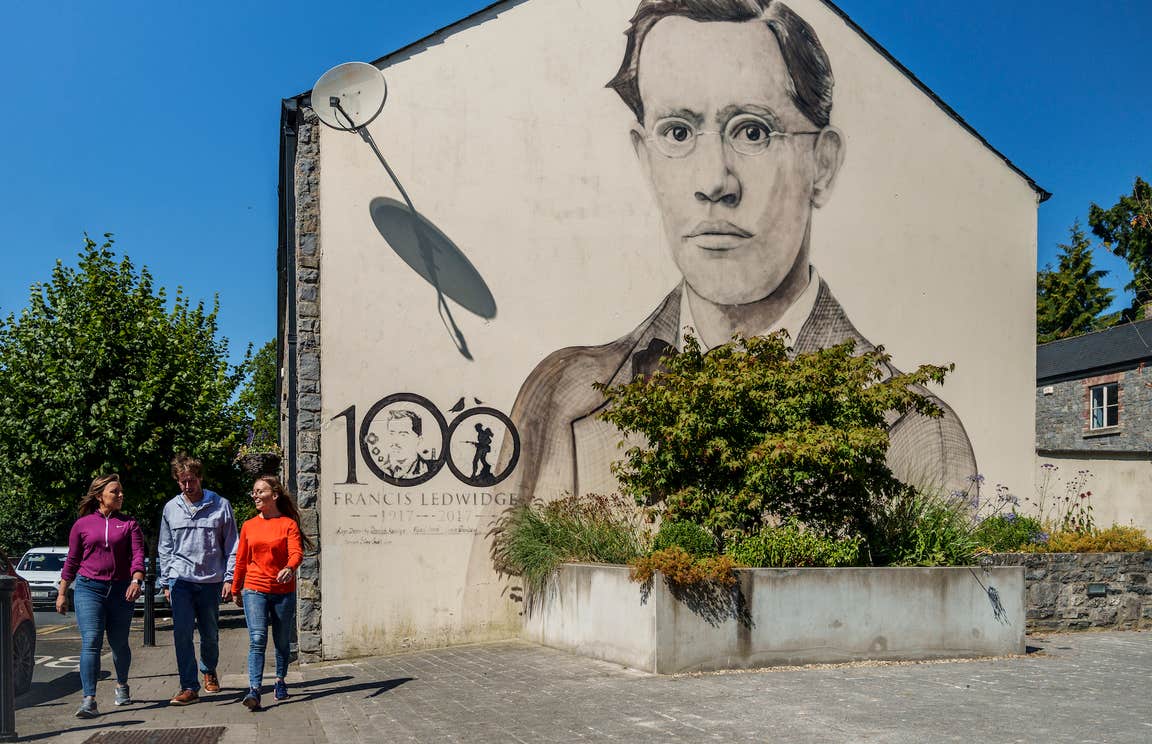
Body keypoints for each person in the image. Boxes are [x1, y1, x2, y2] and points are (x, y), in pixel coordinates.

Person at [500, 0, 976, 503]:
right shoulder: (562, 397)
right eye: (678, 132)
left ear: (823, 163)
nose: (713, 182)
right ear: (645, 159)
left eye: (752, 131)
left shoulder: (920, 433)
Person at [57, 474, 146, 719]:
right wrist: (62, 592)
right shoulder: (82, 525)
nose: (120, 495)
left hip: (120, 591)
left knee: (119, 643)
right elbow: (72, 561)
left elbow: (138, 556)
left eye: (120, 491)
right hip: (88, 588)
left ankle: (122, 685)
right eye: (114, 492)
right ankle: (89, 700)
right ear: (99, 496)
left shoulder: (129, 524)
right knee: (92, 640)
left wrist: (136, 580)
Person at [158, 453, 238, 705]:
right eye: (182, 482)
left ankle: (209, 669)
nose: (187, 486)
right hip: (180, 580)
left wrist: (229, 578)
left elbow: (232, 544)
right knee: (181, 634)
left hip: (210, 581)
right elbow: (165, 546)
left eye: (191, 480)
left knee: (210, 633)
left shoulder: (220, 505)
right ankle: (189, 686)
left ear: (200, 478)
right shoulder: (171, 508)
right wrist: (166, 581)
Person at [231, 475, 310, 711]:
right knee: (257, 639)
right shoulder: (248, 526)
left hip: (283, 591)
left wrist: (289, 568)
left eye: (260, 491)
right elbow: (241, 560)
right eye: (253, 492)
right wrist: (236, 588)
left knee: (282, 641)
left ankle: (279, 680)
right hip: (254, 588)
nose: (255, 495)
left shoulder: (288, 524)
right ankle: (254, 690)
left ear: (274, 495)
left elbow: (296, 553)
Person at [380, 409, 435, 480]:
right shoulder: (379, 469)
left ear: (419, 440)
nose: (395, 441)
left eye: (403, 435)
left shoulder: (429, 470)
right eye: (392, 434)